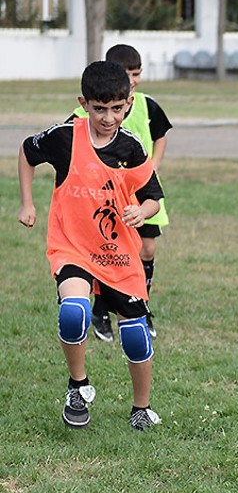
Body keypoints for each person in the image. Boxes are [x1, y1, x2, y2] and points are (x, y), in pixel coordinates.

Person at [17, 61, 163, 431]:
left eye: (117, 108)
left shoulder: (131, 148)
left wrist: (139, 211)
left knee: (134, 334)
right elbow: (26, 152)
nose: (109, 117)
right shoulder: (65, 137)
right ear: (84, 103)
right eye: (100, 108)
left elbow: (153, 198)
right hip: (72, 247)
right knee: (74, 312)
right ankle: (78, 387)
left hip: (118, 254)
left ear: (128, 102)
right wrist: (27, 202)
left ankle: (141, 408)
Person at [72, 44, 173, 342]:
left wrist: (153, 165)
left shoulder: (145, 105)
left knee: (147, 249)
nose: (132, 80)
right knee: (107, 253)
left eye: (136, 73)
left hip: (141, 193)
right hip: (103, 197)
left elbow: (161, 134)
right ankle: (101, 309)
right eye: (127, 74)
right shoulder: (83, 113)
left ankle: (141, 306)